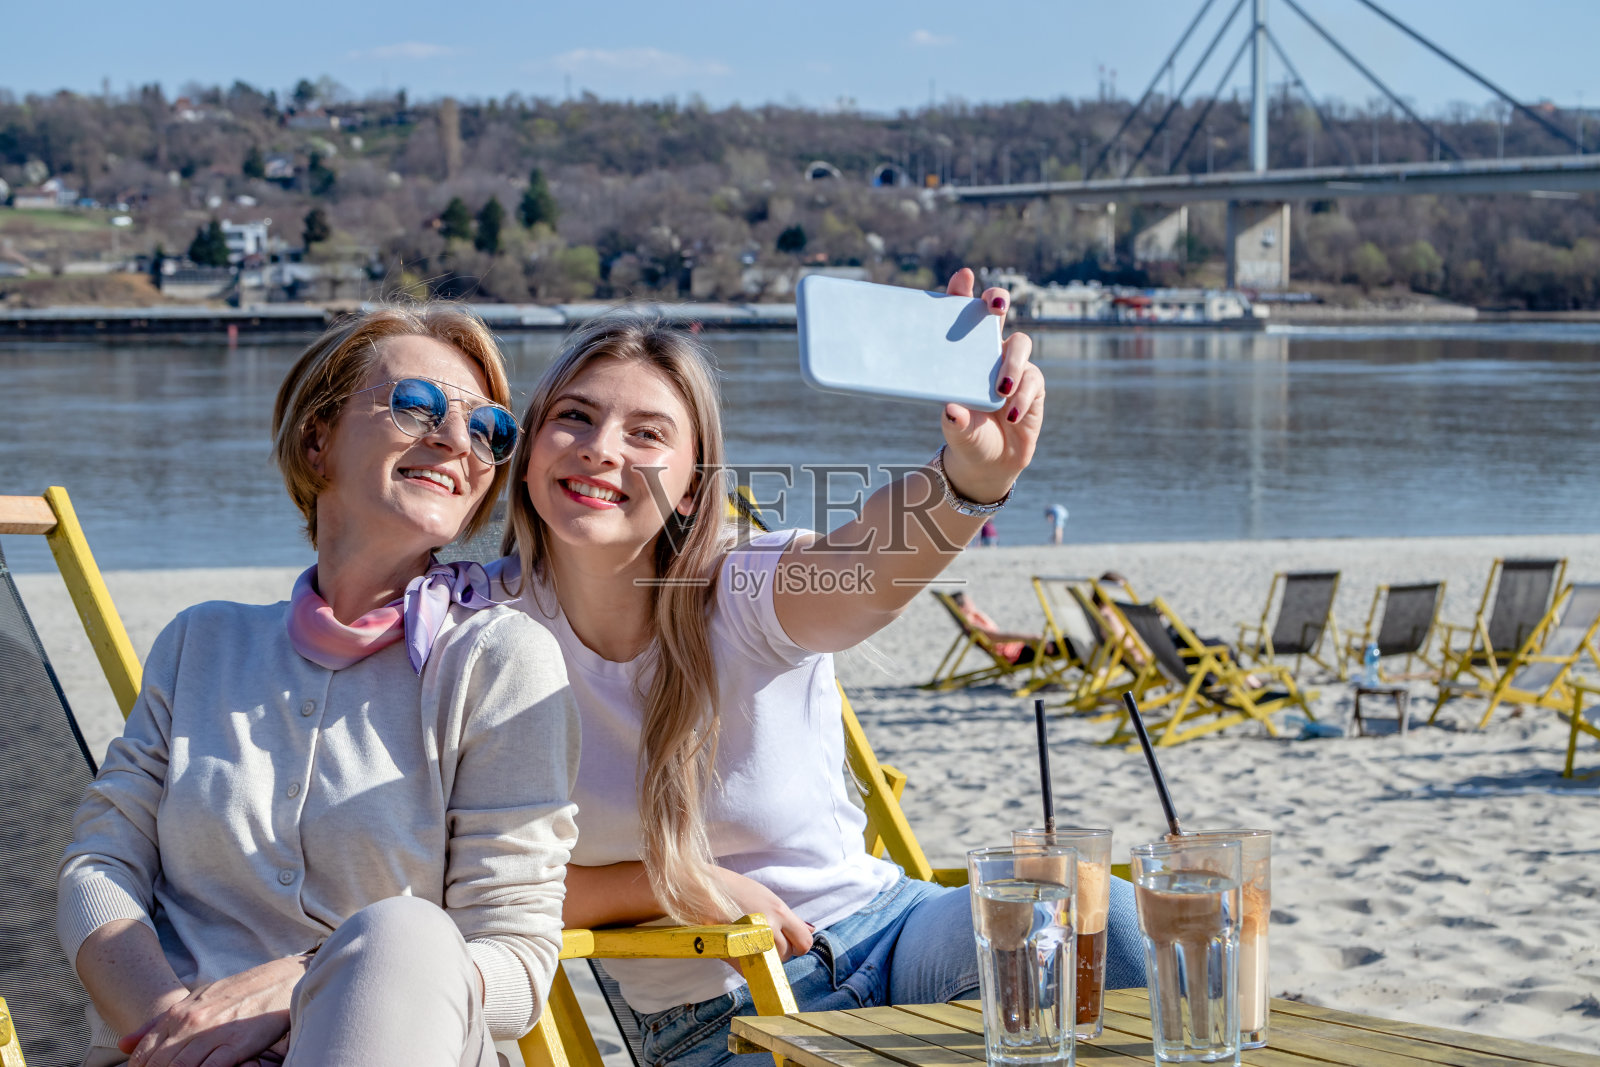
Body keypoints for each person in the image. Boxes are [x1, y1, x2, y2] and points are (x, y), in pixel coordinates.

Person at [493, 269, 1144, 1067]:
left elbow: (866, 570)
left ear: (693, 489)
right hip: (719, 1017)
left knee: (1098, 917)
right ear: (529, 449)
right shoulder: (477, 631)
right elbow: (454, 882)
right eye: (575, 417)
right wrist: (669, 882)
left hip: (896, 938)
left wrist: (971, 478)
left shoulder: (740, 589)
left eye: (647, 434)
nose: (602, 447)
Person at [58, 305, 579, 1067]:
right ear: (317, 438)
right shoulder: (202, 642)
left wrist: (315, 980)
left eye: (488, 429)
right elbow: (99, 866)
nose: (454, 440)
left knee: (405, 930)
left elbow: (516, 958)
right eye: (417, 405)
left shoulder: (498, 659)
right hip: (161, 1047)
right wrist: (179, 1029)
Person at [949, 590, 1060, 666]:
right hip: (1016, 654)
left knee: (1064, 642)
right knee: (1066, 644)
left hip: (1017, 650)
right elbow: (998, 637)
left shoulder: (973, 620)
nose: (972, 603)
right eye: (969, 601)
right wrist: (1033, 637)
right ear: (962, 608)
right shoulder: (973, 625)